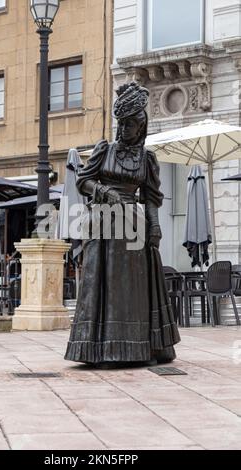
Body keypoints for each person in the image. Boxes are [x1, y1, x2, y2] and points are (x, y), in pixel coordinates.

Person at [65, 82, 180, 367]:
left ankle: (140, 347)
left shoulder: (147, 158)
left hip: (134, 226)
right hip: (103, 224)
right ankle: (102, 348)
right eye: (123, 123)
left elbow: (152, 198)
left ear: (141, 127)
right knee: (104, 285)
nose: (125, 129)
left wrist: (155, 227)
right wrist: (104, 192)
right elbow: (82, 181)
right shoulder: (105, 150)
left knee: (134, 288)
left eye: (131, 124)